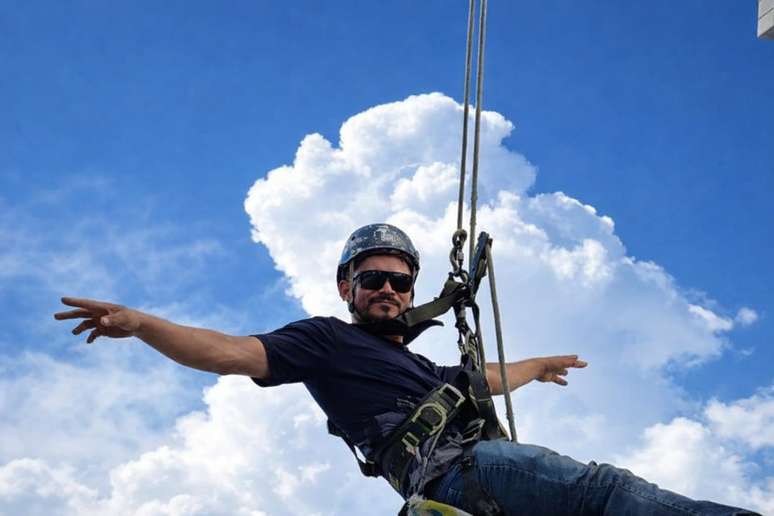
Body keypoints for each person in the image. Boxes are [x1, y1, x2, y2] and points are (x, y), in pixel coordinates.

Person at [55, 223, 759, 516]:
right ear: (348, 288)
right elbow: (230, 353)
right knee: (605, 492)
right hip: (460, 472)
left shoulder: (418, 367)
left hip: (467, 478)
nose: (388, 290)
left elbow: (479, 381)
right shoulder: (326, 341)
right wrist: (144, 325)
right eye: (373, 280)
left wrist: (537, 365)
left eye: (399, 280)